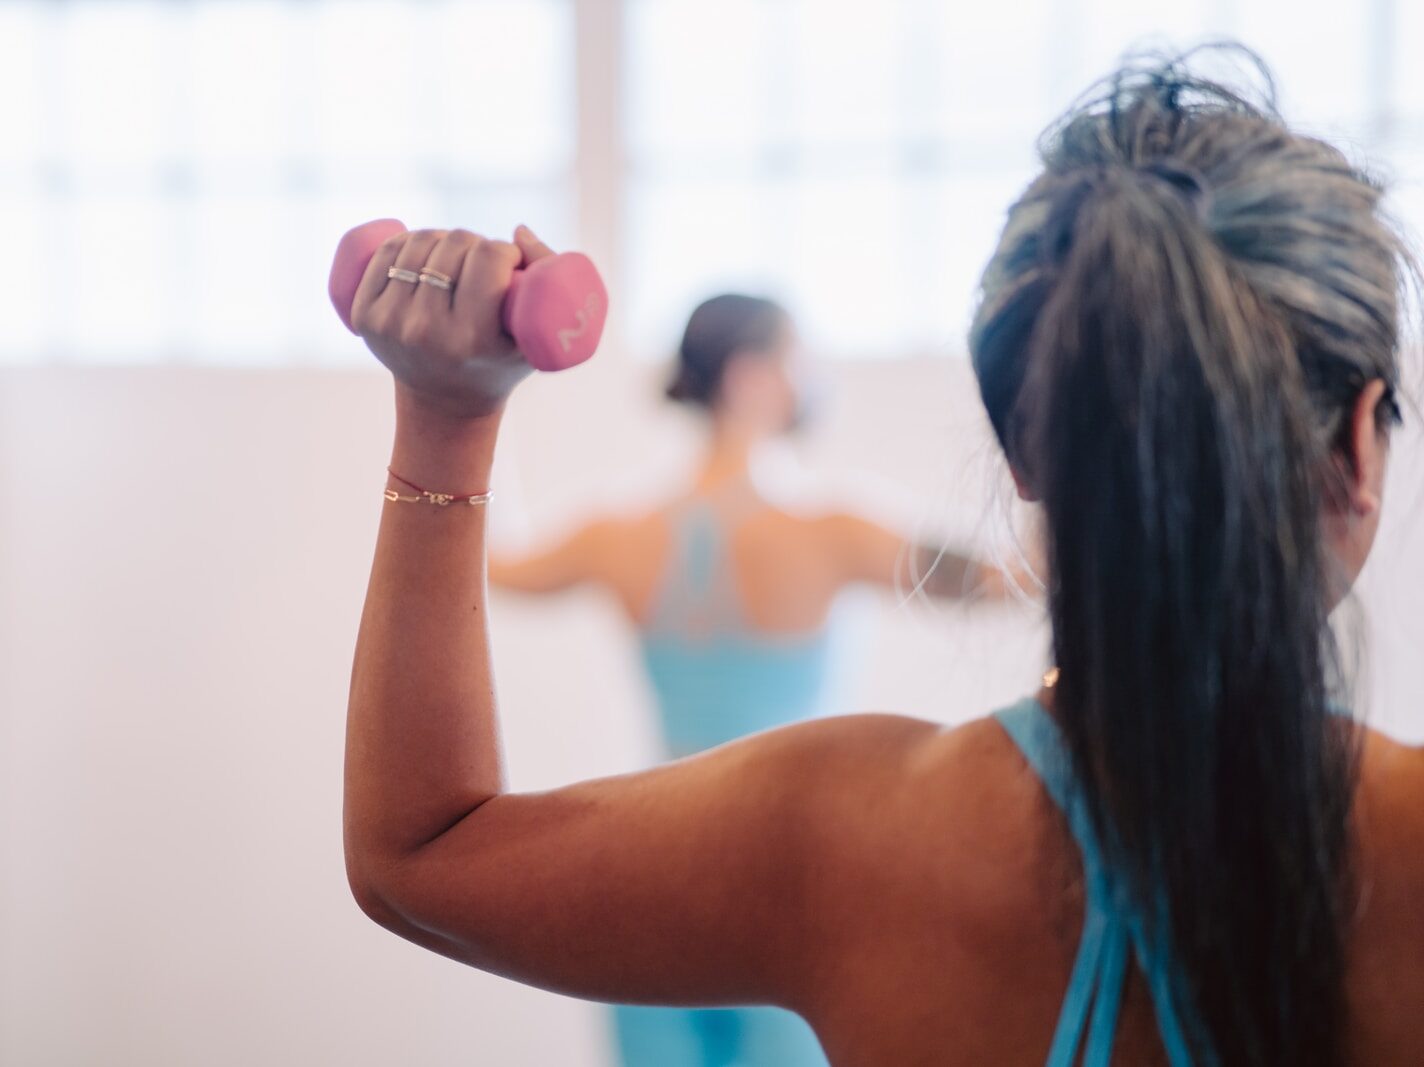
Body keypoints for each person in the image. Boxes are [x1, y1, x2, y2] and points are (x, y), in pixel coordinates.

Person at [343, 52, 1424, 1066]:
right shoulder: (837, 534)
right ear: (1355, 439)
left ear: (1023, 450)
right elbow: (997, 578)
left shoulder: (832, 837)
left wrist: (450, 412)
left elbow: (422, 849)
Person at [488, 294, 1009, 1067]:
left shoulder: (616, 536)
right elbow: (1009, 579)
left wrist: (479, 393)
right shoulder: (829, 531)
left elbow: (496, 562)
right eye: (798, 360)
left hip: (649, 869)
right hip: (788, 882)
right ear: (751, 376)